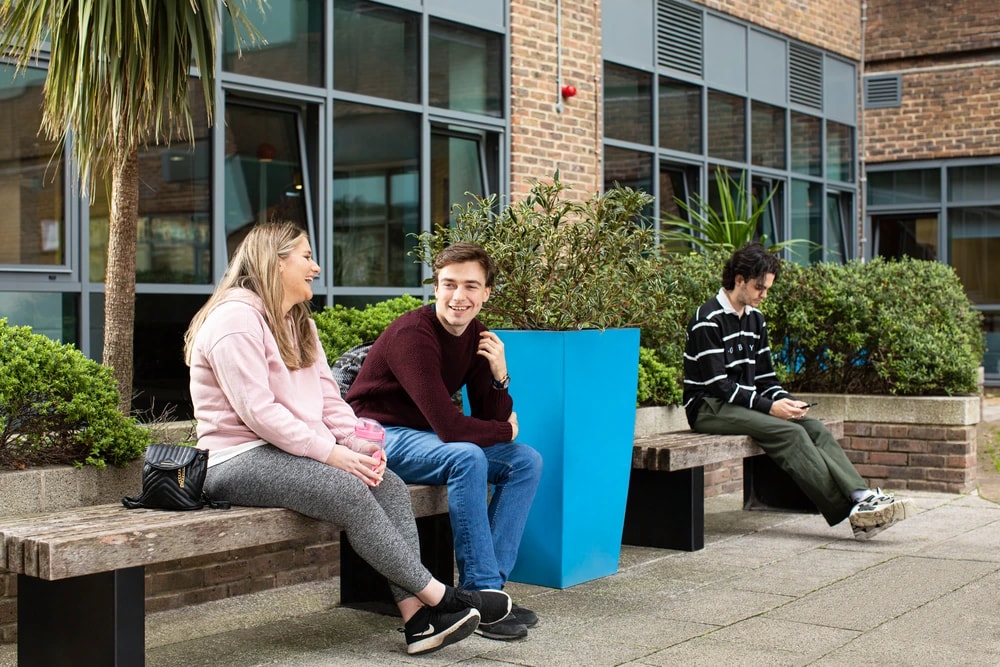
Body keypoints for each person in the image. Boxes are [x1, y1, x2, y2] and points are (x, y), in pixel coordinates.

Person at [183, 222, 511, 656]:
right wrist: (332, 454)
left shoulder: (298, 323)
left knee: (386, 483)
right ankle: (443, 597)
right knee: (348, 489)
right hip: (234, 459)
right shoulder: (234, 319)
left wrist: (358, 444)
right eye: (305, 257)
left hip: (286, 452)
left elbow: (329, 400)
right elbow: (259, 414)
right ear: (276, 262)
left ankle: (419, 623)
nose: (315, 267)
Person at [347, 242, 543, 641]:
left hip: (426, 437)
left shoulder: (477, 336)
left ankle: (492, 593)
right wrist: (505, 431)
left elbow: (488, 414)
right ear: (435, 287)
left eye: (471, 286)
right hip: (376, 434)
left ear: (486, 293)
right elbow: (454, 428)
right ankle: (481, 593)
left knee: (526, 461)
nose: (459, 297)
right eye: (449, 284)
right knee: (466, 456)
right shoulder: (412, 335)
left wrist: (499, 375)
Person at [682, 241, 913, 540]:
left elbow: (765, 378)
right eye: (759, 287)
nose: (764, 295)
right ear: (739, 279)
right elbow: (719, 385)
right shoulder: (707, 319)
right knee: (789, 433)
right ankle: (851, 510)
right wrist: (769, 408)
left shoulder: (755, 319)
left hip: (740, 404)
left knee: (812, 426)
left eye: (767, 288)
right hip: (708, 407)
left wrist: (784, 401)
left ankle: (861, 495)